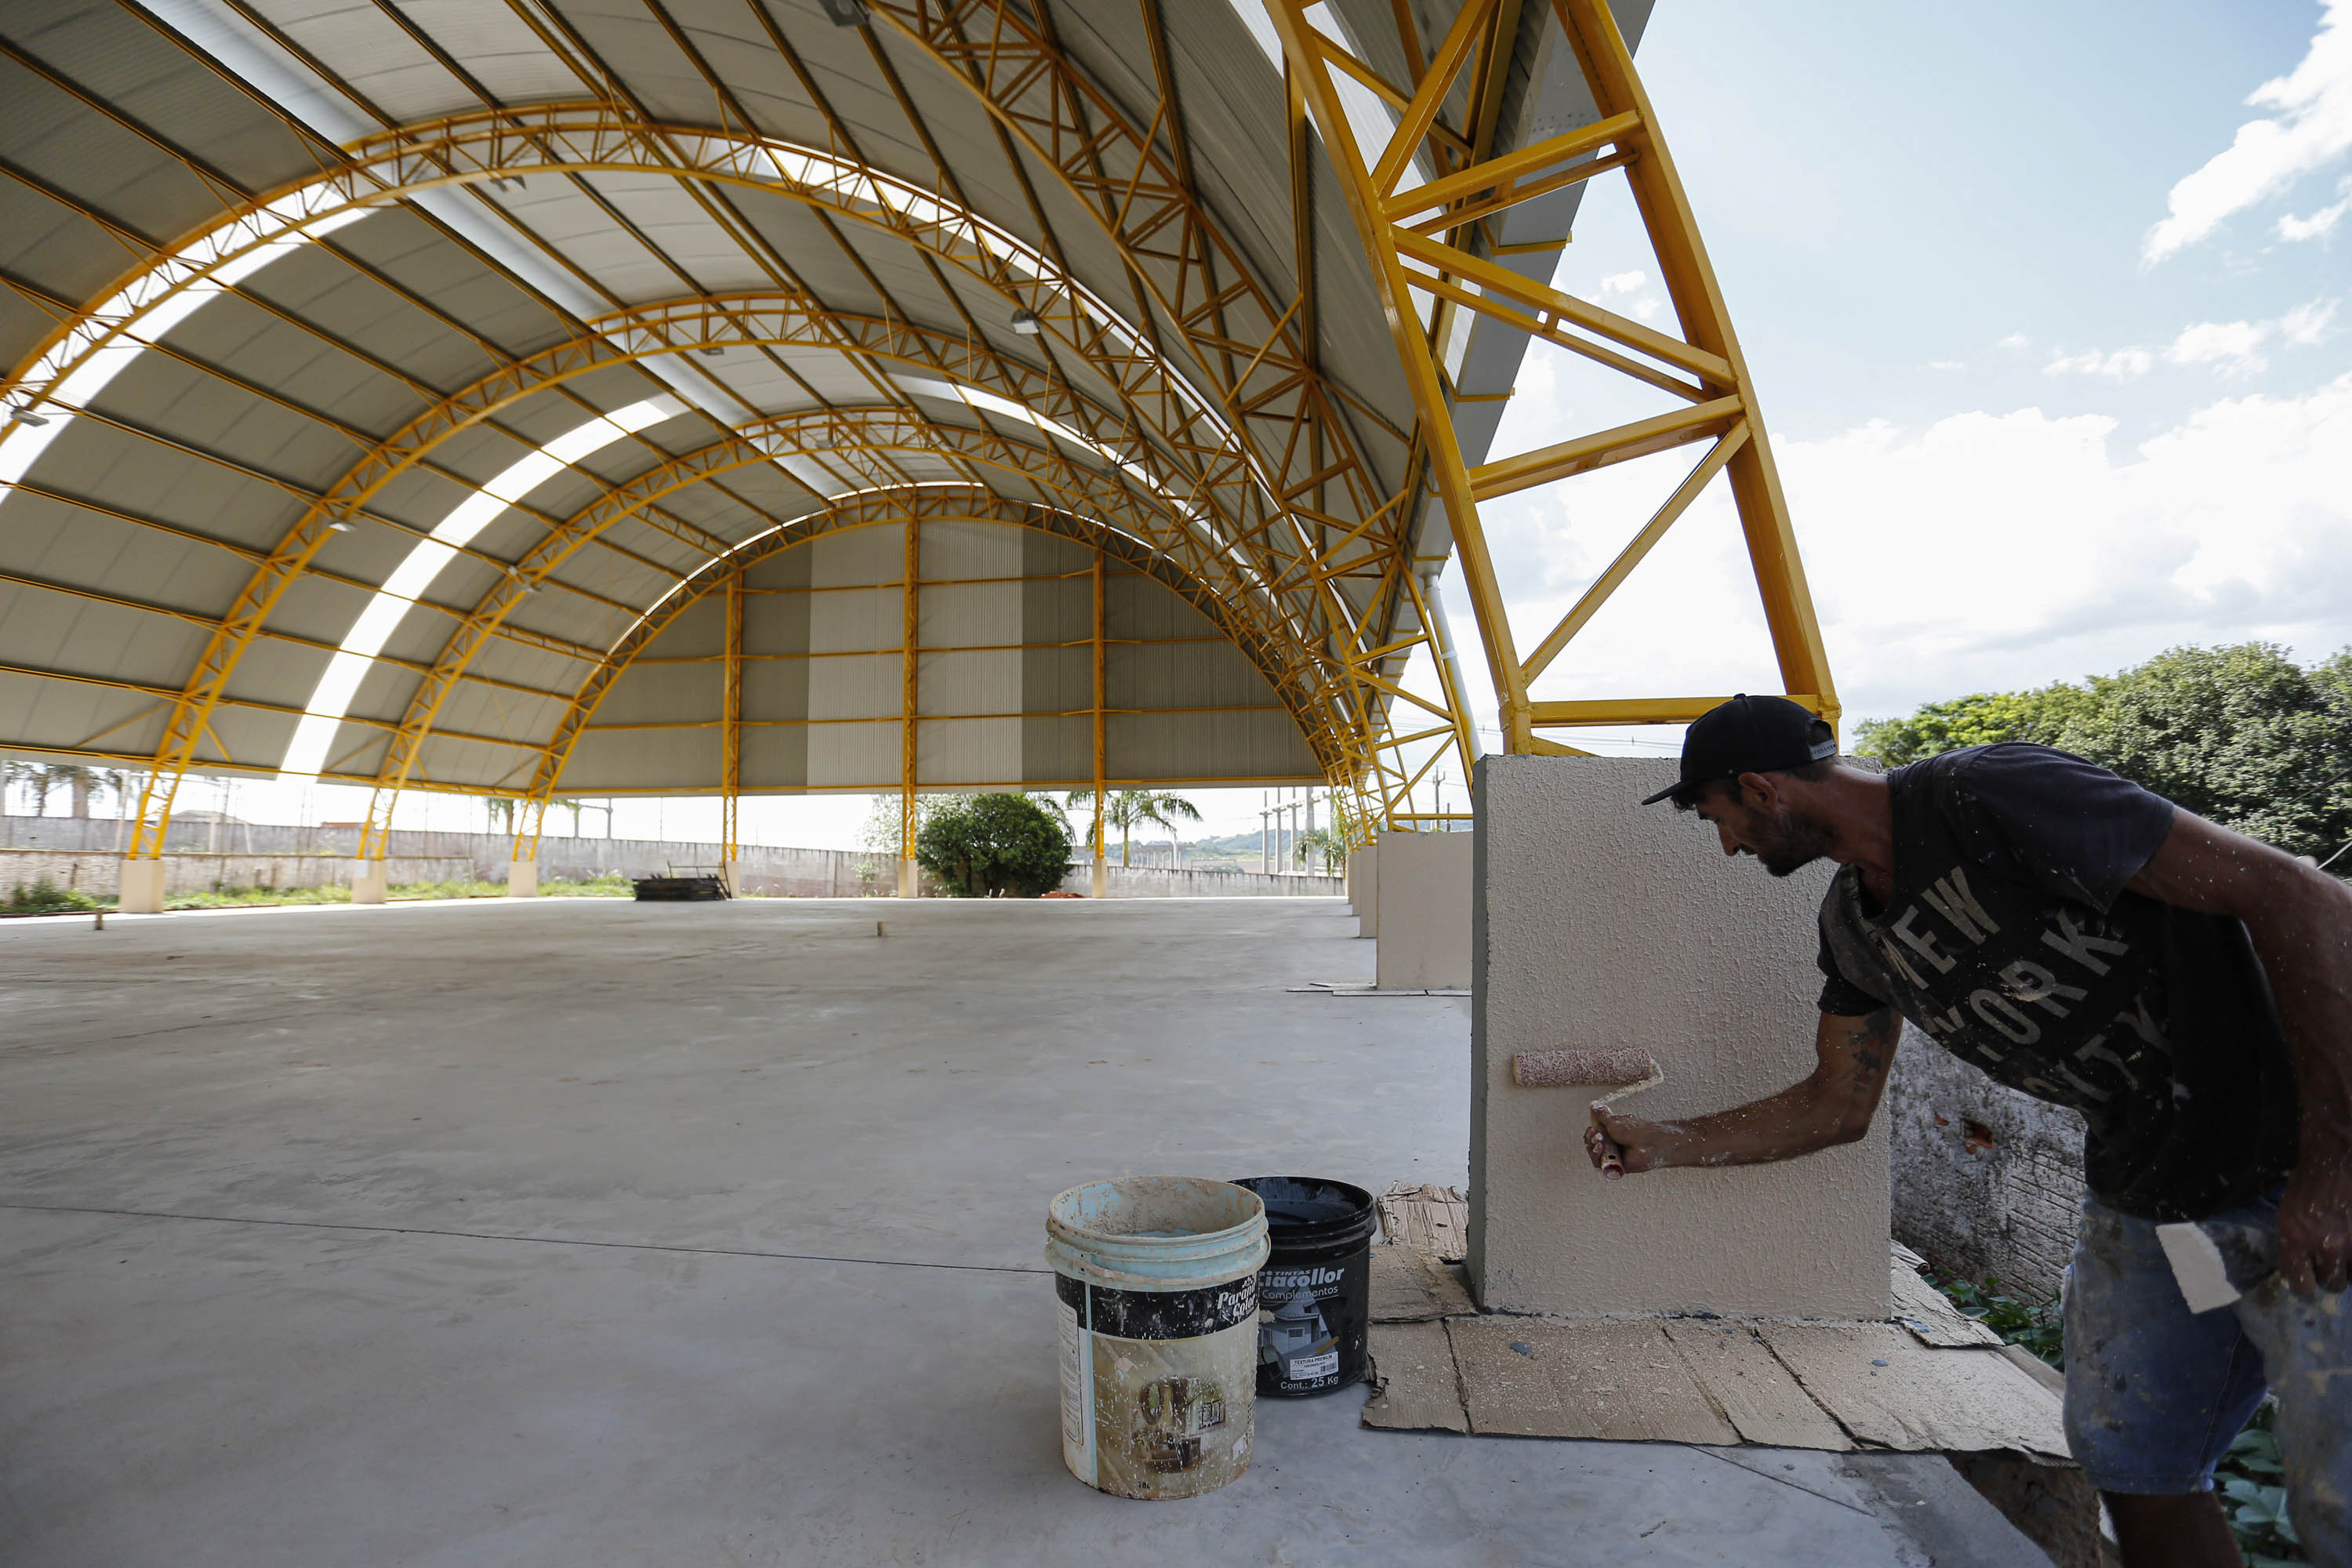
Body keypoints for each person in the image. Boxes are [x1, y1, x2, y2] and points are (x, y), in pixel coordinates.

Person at [1587, 694, 2350, 1568]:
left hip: (2294, 1157)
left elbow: (2304, 893)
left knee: (2340, 1499)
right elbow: (1840, 1104)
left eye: (1720, 819)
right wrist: (1671, 1139)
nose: (1727, 846)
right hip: (2152, 1192)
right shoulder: (1853, 930)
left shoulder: (1985, 795)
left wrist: (2332, 1169)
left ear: (1762, 788)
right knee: (2138, 1465)